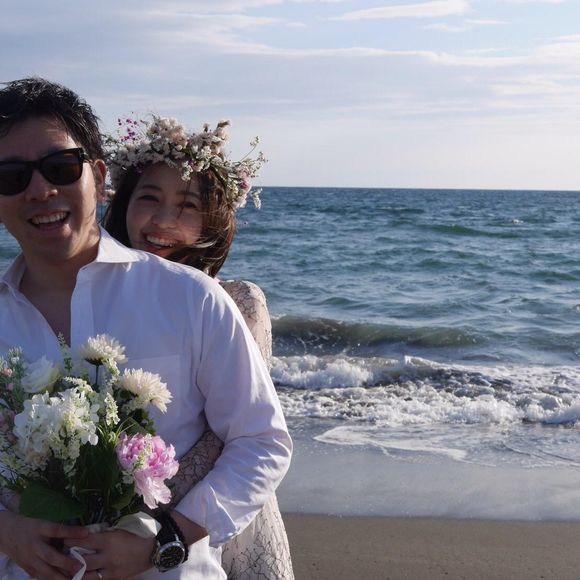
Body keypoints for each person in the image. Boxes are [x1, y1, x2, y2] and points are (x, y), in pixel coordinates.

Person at [0, 77, 292, 580]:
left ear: (98, 177)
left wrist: (167, 539)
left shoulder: (192, 298)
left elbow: (261, 441)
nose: (41, 190)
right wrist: (5, 530)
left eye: (60, 167)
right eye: (12, 176)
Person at [102, 115, 294, 579]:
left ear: (213, 218)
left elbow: (231, 435)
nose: (162, 221)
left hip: (217, 508)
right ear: (124, 203)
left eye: (187, 206)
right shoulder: (97, 297)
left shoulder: (235, 302)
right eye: (148, 198)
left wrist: (154, 519)